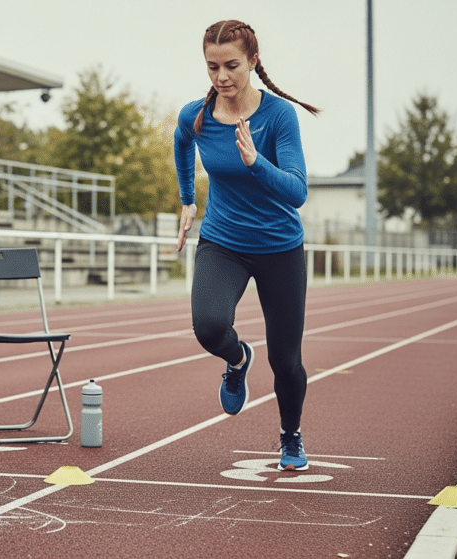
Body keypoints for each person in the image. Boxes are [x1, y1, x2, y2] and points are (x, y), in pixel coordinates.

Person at [173, 20, 319, 471]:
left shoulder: (278, 117)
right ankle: (237, 360)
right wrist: (187, 201)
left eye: (231, 65)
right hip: (224, 242)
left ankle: (290, 436)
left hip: (280, 248)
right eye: (213, 66)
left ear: (252, 61)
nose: (221, 77)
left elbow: (297, 191)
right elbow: (181, 145)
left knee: (286, 360)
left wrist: (256, 162)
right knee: (209, 326)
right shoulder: (195, 115)